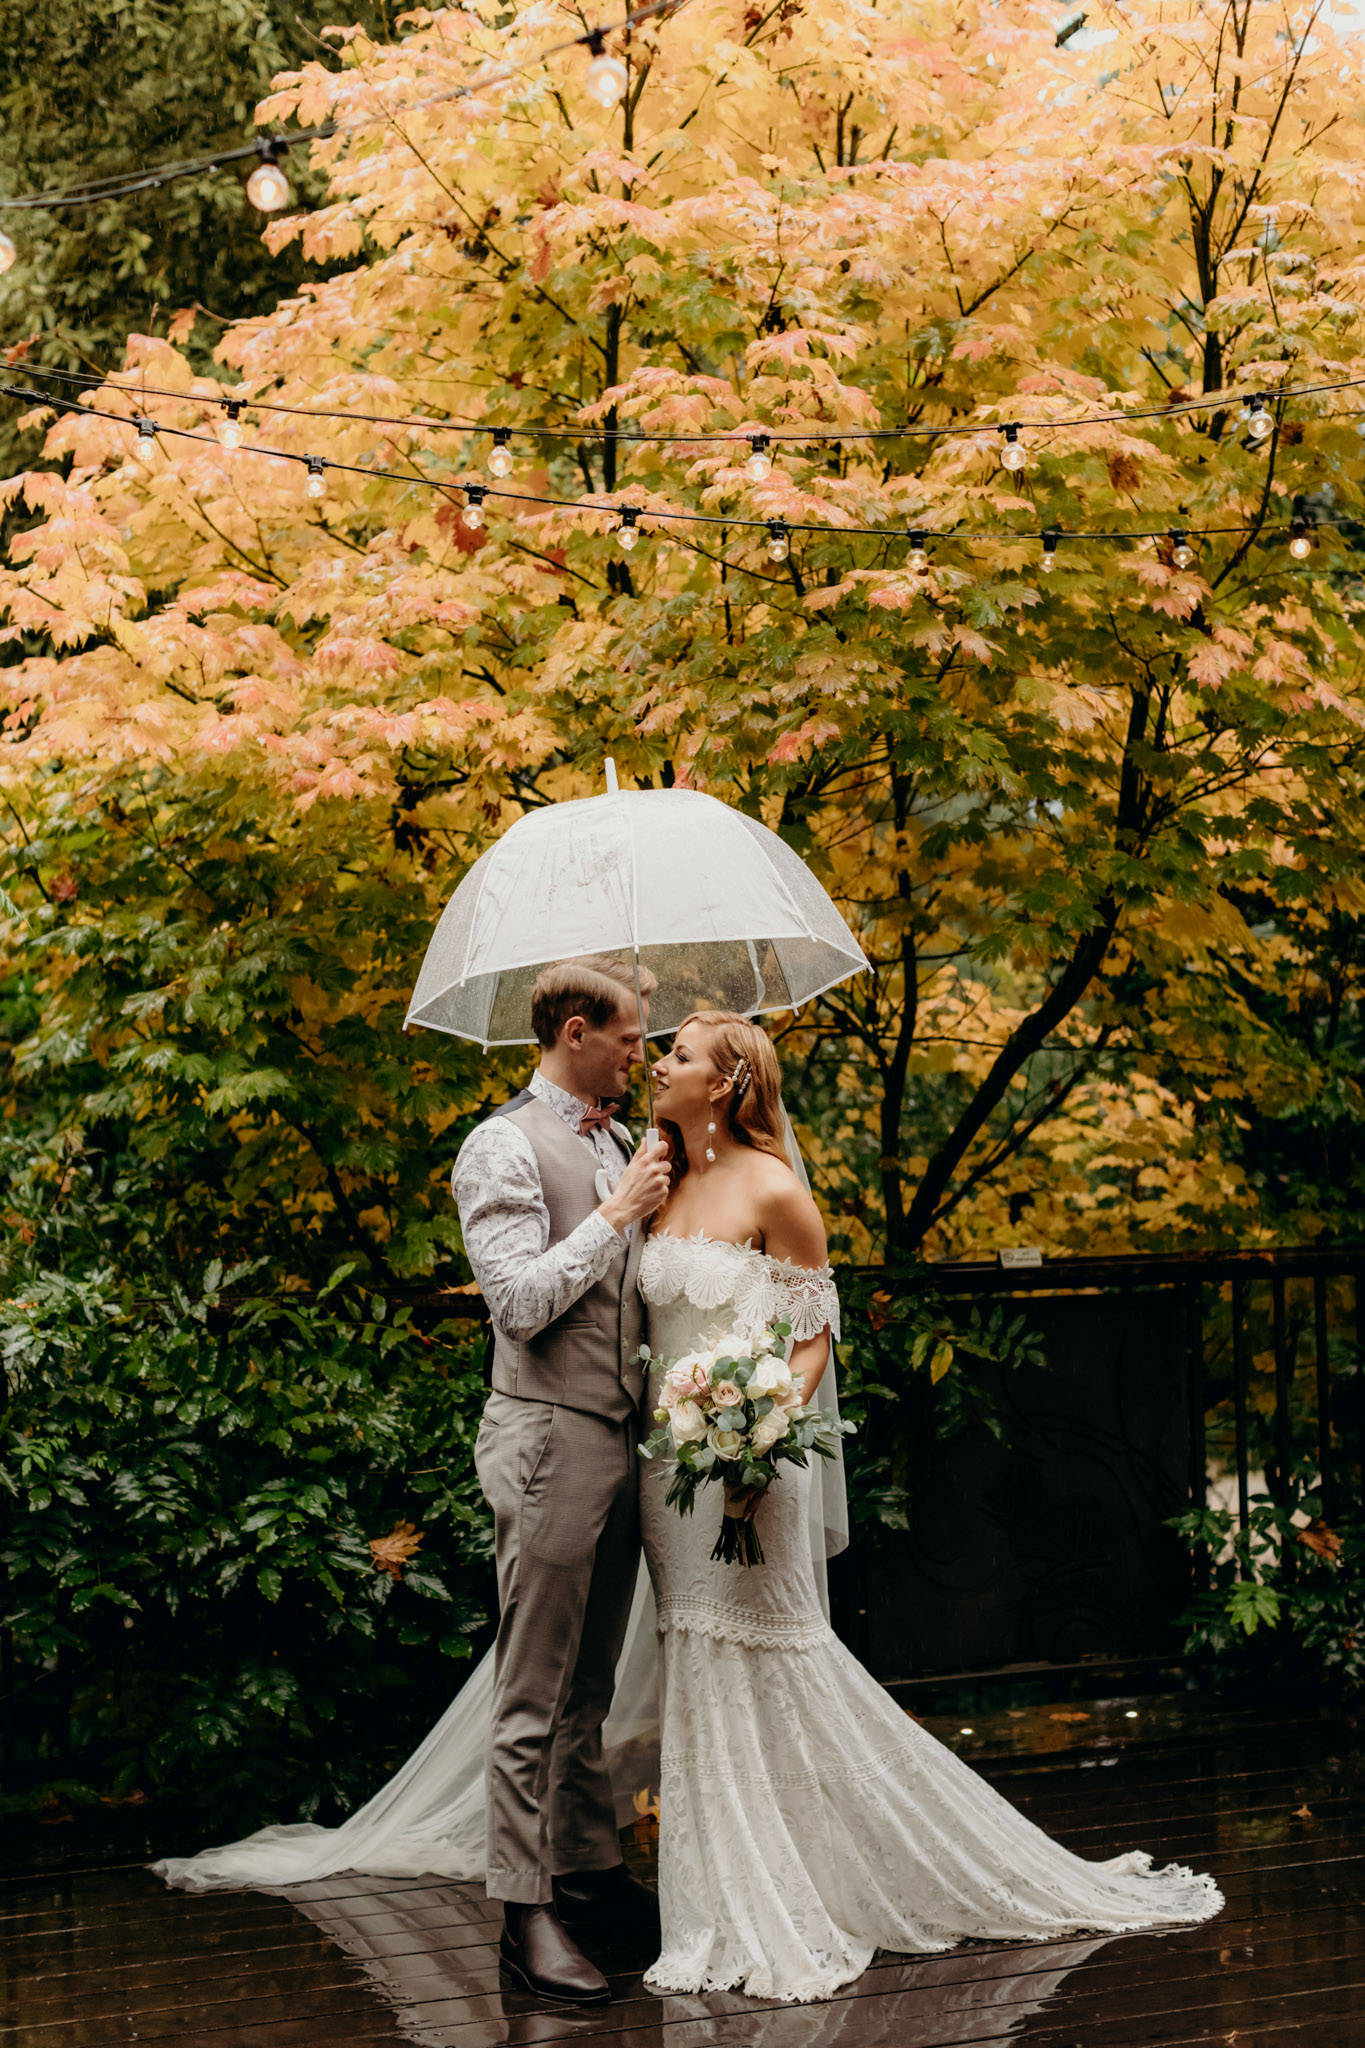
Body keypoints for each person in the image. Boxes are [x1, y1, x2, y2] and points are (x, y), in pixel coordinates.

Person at [635, 1009, 1224, 2004]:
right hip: (669, 1470)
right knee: (696, 1651)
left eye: (680, 1054)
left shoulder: (777, 1189)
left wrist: (760, 1426)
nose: (660, 1062)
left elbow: (816, 1332)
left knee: (775, 1654)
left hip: (750, 1467)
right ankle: (712, 1893)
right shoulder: (660, 1180)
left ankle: (817, 1878)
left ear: (730, 1081)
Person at [449, 954, 671, 2004]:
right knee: (533, 1689)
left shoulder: (620, 1137)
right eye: (629, 1033)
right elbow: (520, 1301)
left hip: (622, 1441)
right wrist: (618, 1211)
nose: (643, 1049)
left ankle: (590, 1876)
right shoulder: (501, 1143)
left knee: (589, 1686)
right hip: (546, 1437)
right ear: (574, 1030)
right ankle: (523, 1917)